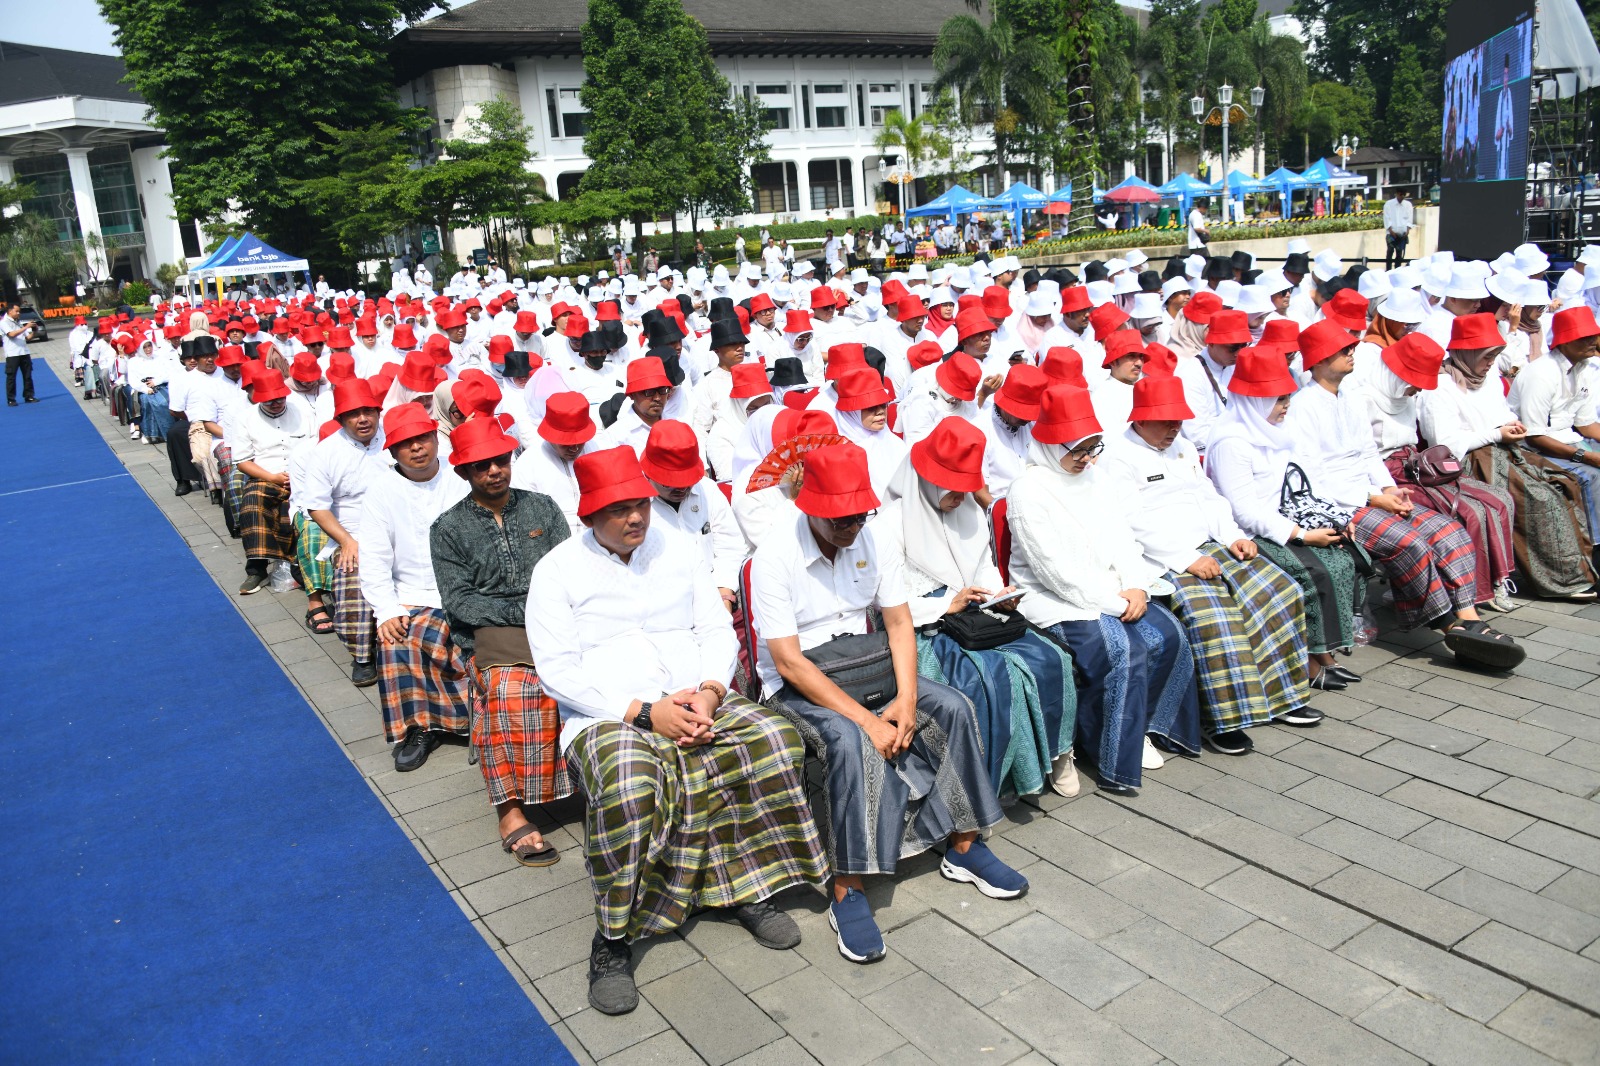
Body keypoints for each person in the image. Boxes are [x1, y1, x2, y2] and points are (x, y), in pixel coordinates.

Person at [527, 446, 827, 1014]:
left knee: (772, 741)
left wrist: (713, 691)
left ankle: (746, 887)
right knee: (632, 783)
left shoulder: (679, 548)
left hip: (698, 694)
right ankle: (613, 938)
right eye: (618, 510)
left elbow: (716, 629)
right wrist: (645, 713)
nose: (635, 517)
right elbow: (558, 671)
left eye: (638, 503)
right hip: (608, 712)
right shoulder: (557, 571)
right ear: (590, 515)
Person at [750, 441, 1025, 965]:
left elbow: (899, 622)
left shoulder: (872, 536)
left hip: (867, 666)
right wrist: (867, 720)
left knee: (952, 706)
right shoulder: (774, 556)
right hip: (805, 680)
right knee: (849, 741)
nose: (852, 526)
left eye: (859, 514)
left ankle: (964, 845)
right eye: (840, 519)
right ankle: (846, 887)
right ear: (810, 507)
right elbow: (788, 663)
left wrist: (906, 696)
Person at [1286, 320, 1526, 669]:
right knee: (1410, 542)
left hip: (1367, 493)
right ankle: (1449, 625)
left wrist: (1388, 488)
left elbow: (1369, 453)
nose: (1353, 352)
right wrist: (1372, 497)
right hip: (1338, 505)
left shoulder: (1349, 397)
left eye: (1351, 347)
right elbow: (1314, 476)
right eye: (1343, 350)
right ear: (1320, 359)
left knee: (1450, 530)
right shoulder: (1303, 406)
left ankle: (1469, 618)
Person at [1102, 373, 1317, 754]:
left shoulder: (1182, 447)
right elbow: (1130, 521)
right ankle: (1224, 719)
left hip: (1209, 543)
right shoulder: (1118, 457)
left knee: (1280, 590)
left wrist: (1233, 535)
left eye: (1179, 420)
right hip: (1163, 558)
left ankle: (1281, 695)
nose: (1174, 428)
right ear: (1140, 418)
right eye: (1166, 421)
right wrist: (1187, 559)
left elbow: (1210, 496)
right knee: (1213, 616)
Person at [1007, 385, 1202, 791]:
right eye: (1078, 450)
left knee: (1168, 633)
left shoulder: (1095, 478)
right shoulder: (1027, 490)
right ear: (1048, 443)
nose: (1086, 460)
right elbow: (1053, 572)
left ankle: (1142, 729)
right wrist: (1114, 602)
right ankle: (1112, 752)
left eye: (1093, 449)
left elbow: (1122, 537)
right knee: (1121, 649)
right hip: (1057, 600)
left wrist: (1136, 586)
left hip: (1112, 590)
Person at [877, 417, 1079, 798]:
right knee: (991, 674)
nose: (959, 499)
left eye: (966, 489)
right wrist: (944, 606)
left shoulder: (967, 508)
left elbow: (983, 564)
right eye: (952, 490)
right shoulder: (890, 524)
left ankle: (1057, 751)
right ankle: (989, 782)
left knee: (1052, 657)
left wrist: (1000, 593)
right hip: (926, 626)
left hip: (977, 615)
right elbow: (887, 602)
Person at [431, 413, 573, 867]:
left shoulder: (543, 507)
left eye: (499, 460)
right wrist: (523, 613)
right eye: (480, 465)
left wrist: (552, 611)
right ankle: (510, 809)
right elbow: (461, 603)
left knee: (594, 674)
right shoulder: (448, 528)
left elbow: (568, 570)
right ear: (462, 472)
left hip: (555, 616)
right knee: (513, 690)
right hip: (491, 631)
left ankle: (592, 780)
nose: (493, 471)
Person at [1208, 349, 1368, 690]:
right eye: (1279, 399)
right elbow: (1244, 510)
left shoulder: (1275, 430)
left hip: (1284, 519)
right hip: (1250, 533)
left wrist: (1336, 516)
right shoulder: (1232, 442)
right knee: (1312, 571)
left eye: (1287, 397)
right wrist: (1301, 535)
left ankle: (1325, 653)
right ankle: (1310, 660)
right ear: (1255, 401)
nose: (1286, 406)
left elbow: (1303, 480)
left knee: (1342, 558)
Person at [1421, 316, 1598, 600]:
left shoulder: (1487, 378)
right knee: (1540, 498)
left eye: (1494, 355)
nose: (1492, 362)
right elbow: (1445, 447)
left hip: (1502, 450)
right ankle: (1557, 580)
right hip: (1467, 463)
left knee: (1565, 482)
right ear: (1467, 353)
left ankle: (1579, 568)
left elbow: (1501, 415)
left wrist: (1512, 426)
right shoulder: (1439, 388)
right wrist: (1497, 434)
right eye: (1486, 355)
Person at [1355, 323, 1517, 610]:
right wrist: (1383, 488)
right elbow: (1365, 455)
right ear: (1395, 374)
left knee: (1497, 498)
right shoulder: (1364, 400)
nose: (1417, 388)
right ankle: (1465, 589)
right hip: (1384, 476)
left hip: (1414, 466)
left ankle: (1495, 579)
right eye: (1413, 380)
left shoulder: (1403, 395)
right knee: (1466, 510)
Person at [361, 402, 472, 772]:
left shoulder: (462, 478)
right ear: (393, 450)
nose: (418, 447)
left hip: (469, 589)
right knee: (396, 637)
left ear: (436, 437)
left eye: (423, 437)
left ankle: (477, 717)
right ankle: (418, 726)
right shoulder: (381, 491)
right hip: (413, 594)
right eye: (406, 442)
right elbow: (374, 559)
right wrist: (387, 609)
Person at [302, 378, 392, 687]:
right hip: (353, 532)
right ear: (341, 419)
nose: (363, 419)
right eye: (354, 413)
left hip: (401, 524)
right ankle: (362, 655)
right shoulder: (326, 452)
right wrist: (346, 540)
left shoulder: (394, 440)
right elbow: (317, 508)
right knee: (353, 572)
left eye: (369, 411)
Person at [1511, 305, 1600, 544]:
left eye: (1594, 335)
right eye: (1586, 337)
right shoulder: (1541, 373)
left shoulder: (1584, 369)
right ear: (1565, 342)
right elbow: (1533, 436)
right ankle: (1593, 545)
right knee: (1592, 476)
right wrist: (1586, 457)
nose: (1594, 341)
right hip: (1532, 448)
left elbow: (1586, 424)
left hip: (1569, 440)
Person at [231, 368, 313, 595]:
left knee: (310, 507)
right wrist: (273, 477)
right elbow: (243, 461)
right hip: (266, 474)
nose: (276, 402)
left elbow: (317, 445)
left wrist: (299, 475)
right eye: (269, 400)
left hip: (304, 474)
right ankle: (256, 569)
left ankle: (303, 563)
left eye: (279, 397)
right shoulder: (245, 418)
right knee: (252, 503)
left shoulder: (303, 411)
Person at [510, 390, 596, 536]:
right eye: (566, 443)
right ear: (551, 436)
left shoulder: (598, 450)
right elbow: (522, 520)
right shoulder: (529, 464)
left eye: (580, 441)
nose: (574, 448)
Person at [2, 302, 38, 405]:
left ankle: (29, 396)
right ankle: (11, 399)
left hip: (24, 352)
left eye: (19, 311)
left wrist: (34, 331)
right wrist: (26, 327)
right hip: (12, 353)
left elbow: (27, 338)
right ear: (9, 311)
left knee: (27, 375)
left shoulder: (18, 322)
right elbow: (12, 334)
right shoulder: (4, 322)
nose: (18, 313)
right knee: (11, 377)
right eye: (16, 311)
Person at [1383, 189, 1414, 270]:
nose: (1402, 197)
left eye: (1403, 195)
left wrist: (1407, 231)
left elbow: (1409, 218)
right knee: (1390, 251)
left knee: (1399, 253)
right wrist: (1390, 230)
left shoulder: (1408, 205)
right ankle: (1388, 270)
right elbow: (1386, 217)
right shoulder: (1389, 204)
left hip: (1402, 233)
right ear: (1396, 194)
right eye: (1400, 195)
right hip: (1391, 233)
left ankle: (1397, 270)